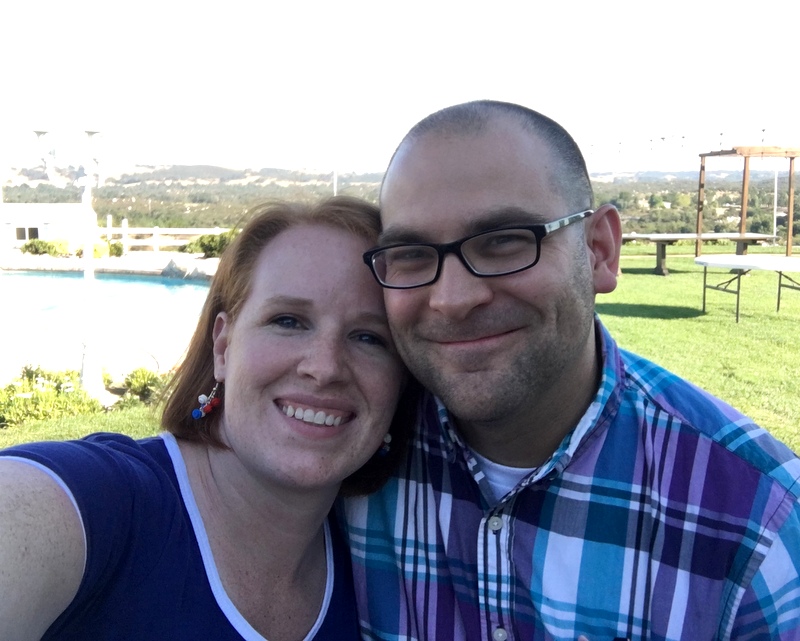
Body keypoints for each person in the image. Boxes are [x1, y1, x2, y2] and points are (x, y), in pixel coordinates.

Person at [342, 100, 800, 640]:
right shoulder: (347, 452)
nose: (453, 299)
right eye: (412, 254)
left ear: (599, 251)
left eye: (505, 241)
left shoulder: (756, 524)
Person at [0, 196, 416, 640]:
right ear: (223, 347)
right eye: (288, 321)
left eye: (369, 337)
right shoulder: (104, 504)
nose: (325, 367)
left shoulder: (381, 568)